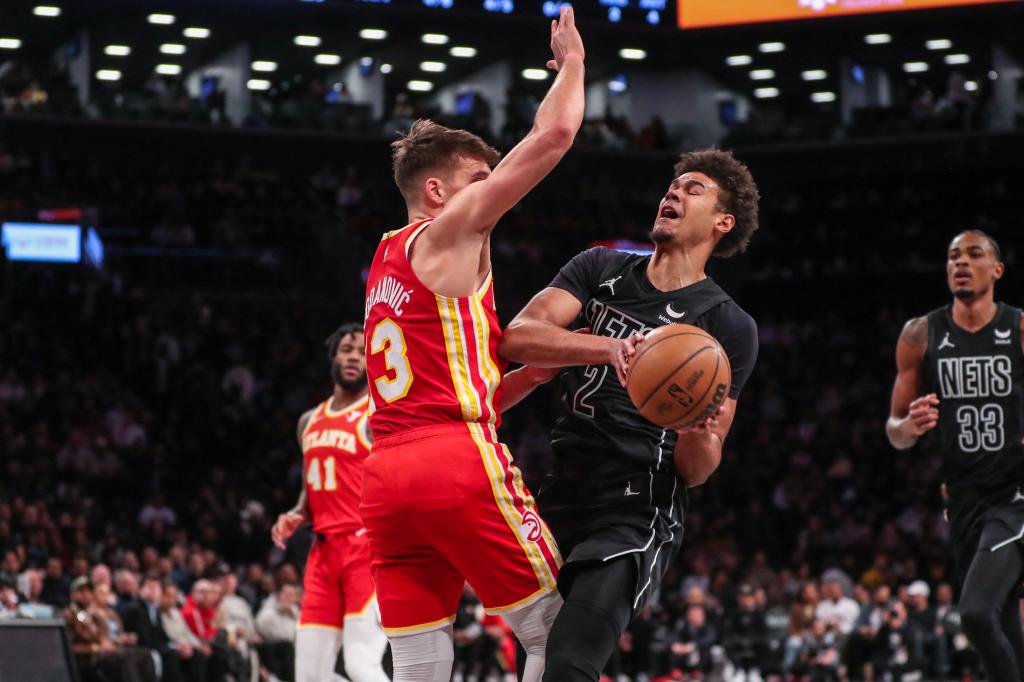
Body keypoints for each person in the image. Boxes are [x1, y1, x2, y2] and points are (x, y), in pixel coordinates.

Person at [360, 7, 586, 681]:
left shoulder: (382, 264)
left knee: (420, 659)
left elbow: (445, 383)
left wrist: (528, 380)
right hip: (451, 460)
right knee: (554, 630)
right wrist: (573, 63)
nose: (489, 194)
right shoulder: (448, 233)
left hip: (387, 477)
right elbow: (554, 136)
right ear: (438, 192)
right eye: (476, 182)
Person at [499, 148, 761, 680]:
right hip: (559, 489)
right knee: (535, 653)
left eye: (693, 190)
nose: (673, 193)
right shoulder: (600, 267)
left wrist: (697, 431)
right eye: (673, 186)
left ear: (721, 222)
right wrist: (608, 348)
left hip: (635, 509)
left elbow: (699, 469)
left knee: (570, 663)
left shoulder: (728, 326)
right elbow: (517, 337)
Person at [886, 230, 1024, 682]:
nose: (960, 263)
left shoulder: (1019, 328)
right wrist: (909, 426)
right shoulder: (920, 334)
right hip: (964, 500)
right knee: (1003, 625)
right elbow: (894, 432)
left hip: (1015, 495)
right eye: (952, 256)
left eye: (973, 254)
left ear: (997, 269)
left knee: (976, 615)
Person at [270, 322, 389, 682]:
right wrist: (296, 513)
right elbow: (313, 484)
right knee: (309, 676)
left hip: (364, 550)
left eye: (362, 352)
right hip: (321, 553)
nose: (354, 357)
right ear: (333, 358)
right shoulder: (309, 421)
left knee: (360, 665)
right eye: (346, 350)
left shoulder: (377, 416)